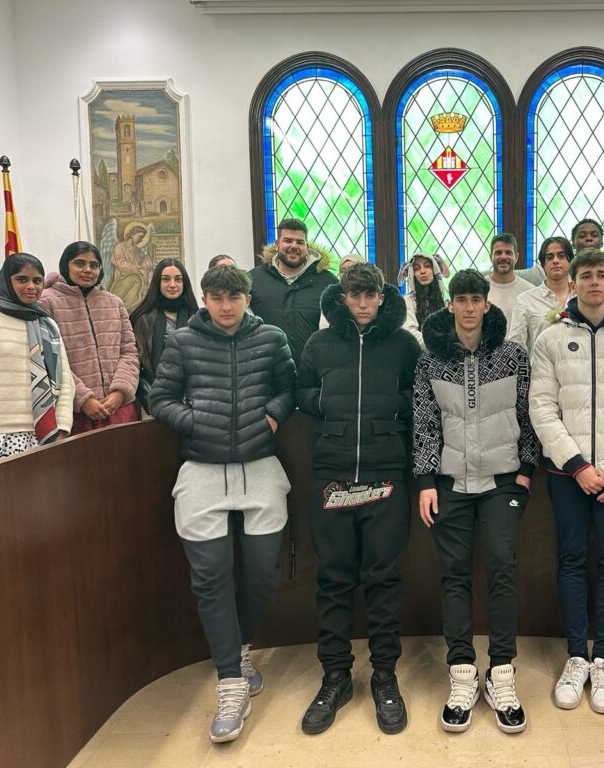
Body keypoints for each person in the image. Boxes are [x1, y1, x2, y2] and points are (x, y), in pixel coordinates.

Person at [149, 265, 297, 744]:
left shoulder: (271, 338)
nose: (226, 306)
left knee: (262, 573)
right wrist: (196, 423)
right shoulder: (183, 341)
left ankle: (241, 649)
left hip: (259, 467)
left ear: (247, 298)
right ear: (206, 299)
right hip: (202, 470)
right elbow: (160, 398)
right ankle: (231, 681)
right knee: (211, 576)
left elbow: (289, 388)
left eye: (234, 297)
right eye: (216, 297)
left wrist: (272, 416)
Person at [295, 263, 421, 736]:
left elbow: (418, 394)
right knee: (333, 578)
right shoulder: (319, 343)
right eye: (355, 295)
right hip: (332, 473)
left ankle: (385, 675)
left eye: (371, 295)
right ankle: (335, 677)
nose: (363, 303)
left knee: (384, 578)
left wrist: (392, 409)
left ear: (382, 297)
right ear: (343, 297)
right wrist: (327, 404)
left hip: (386, 473)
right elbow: (302, 389)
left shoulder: (404, 344)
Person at [413, 269, 539, 735]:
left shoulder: (513, 356)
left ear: (488, 304)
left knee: (503, 567)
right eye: (461, 299)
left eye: (475, 299)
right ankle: (462, 673)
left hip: (502, 481)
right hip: (450, 483)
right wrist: (426, 480)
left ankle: (501, 672)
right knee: (454, 574)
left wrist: (526, 471)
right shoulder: (431, 361)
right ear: (450, 305)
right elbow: (424, 420)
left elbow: (528, 412)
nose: (468, 307)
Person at [529, 248, 604, 715]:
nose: (595, 281)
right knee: (571, 559)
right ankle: (576, 657)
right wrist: (578, 464)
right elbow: (542, 407)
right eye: (587, 275)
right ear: (574, 282)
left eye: (602, 274)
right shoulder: (551, 337)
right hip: (569, 473)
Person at [0, 253, 73, 461]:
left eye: (37, 280)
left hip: (48, 433)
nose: (31, 286)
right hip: (0, 435)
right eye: (22, 279)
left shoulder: (47, 324)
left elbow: (66, 380)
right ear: (5, 281)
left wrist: (62, 427)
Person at [39, 242, 140, 433]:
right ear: (65, 265)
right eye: (79, 263)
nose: (87, 270)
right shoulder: (47, 302)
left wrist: (120, 391)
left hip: (117, 408)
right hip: (73, 412)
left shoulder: (114, 302)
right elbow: (49, 359)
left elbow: (129, 351)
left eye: (94, 265)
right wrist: (83, 398)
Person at [249, 217, 337, 362]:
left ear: (307, 246)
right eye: (288, 241)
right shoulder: (254, 280)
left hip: (313, 369)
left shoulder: (328, 282)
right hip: (266, 368)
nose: (294, 246)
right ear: (277, 244)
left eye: (300, 242)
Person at [129, 258, 198, 413]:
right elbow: (136, 363)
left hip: (193, 402)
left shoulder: (197, 318)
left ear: (184, 283)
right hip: (151, 399)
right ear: (157, 283)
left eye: (178, 279)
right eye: (166, 279)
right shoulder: (143, 319)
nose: (172, 285)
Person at [507, 236, 574, 352]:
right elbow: (516, 346)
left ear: (571, 261)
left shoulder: (582, 297)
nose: (555, 261)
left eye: (561, 256)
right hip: (540, 362)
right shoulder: (526, 300)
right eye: (550, 257)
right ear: (543, 264)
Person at [397, 252, 446, 347]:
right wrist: (439, 343)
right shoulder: (408, 301)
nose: (422, 271)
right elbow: (410, 333)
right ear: (412, 274)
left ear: (435, 270)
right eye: (417, 268)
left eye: (427, 266)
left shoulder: (443, 302)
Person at [109, 222, 154, 311]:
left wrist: (150, 254)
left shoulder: (137, 250)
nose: (141, 240)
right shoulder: (119, 247)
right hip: (123, 283)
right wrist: (137, 268)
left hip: (135, 284)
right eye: (140, 236)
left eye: (142, 238)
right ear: (133, 234)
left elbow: (145, 265)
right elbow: (121, 264)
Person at [485, 233, 531, 319]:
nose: (503, 257)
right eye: (498, 253)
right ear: (491, 257)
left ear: (516, 257)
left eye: (508, 253)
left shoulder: (529, 291)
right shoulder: (479, 288)